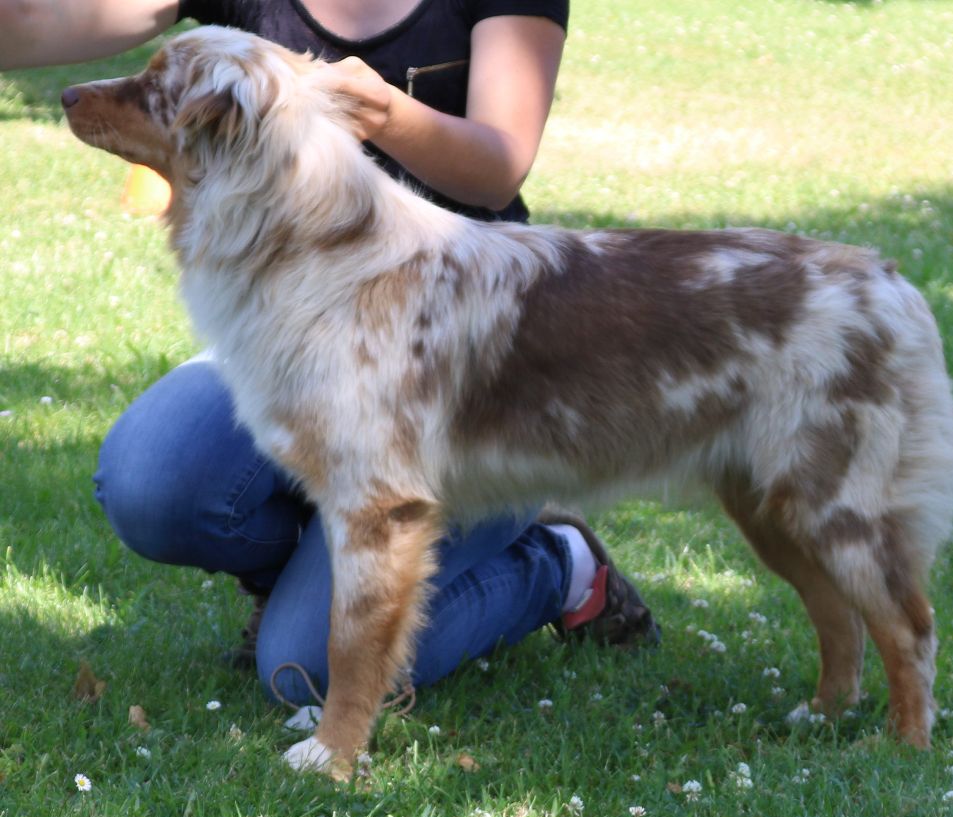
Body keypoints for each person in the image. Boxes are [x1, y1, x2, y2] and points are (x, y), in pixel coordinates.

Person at [0, 0, 660, 707]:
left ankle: (558, 566)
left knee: (307, 669)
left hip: (461, 366)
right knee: (149, 477)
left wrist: (387, 114)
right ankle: (319, 570)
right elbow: (42, 18)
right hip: (289, 327)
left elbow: (497, 166)